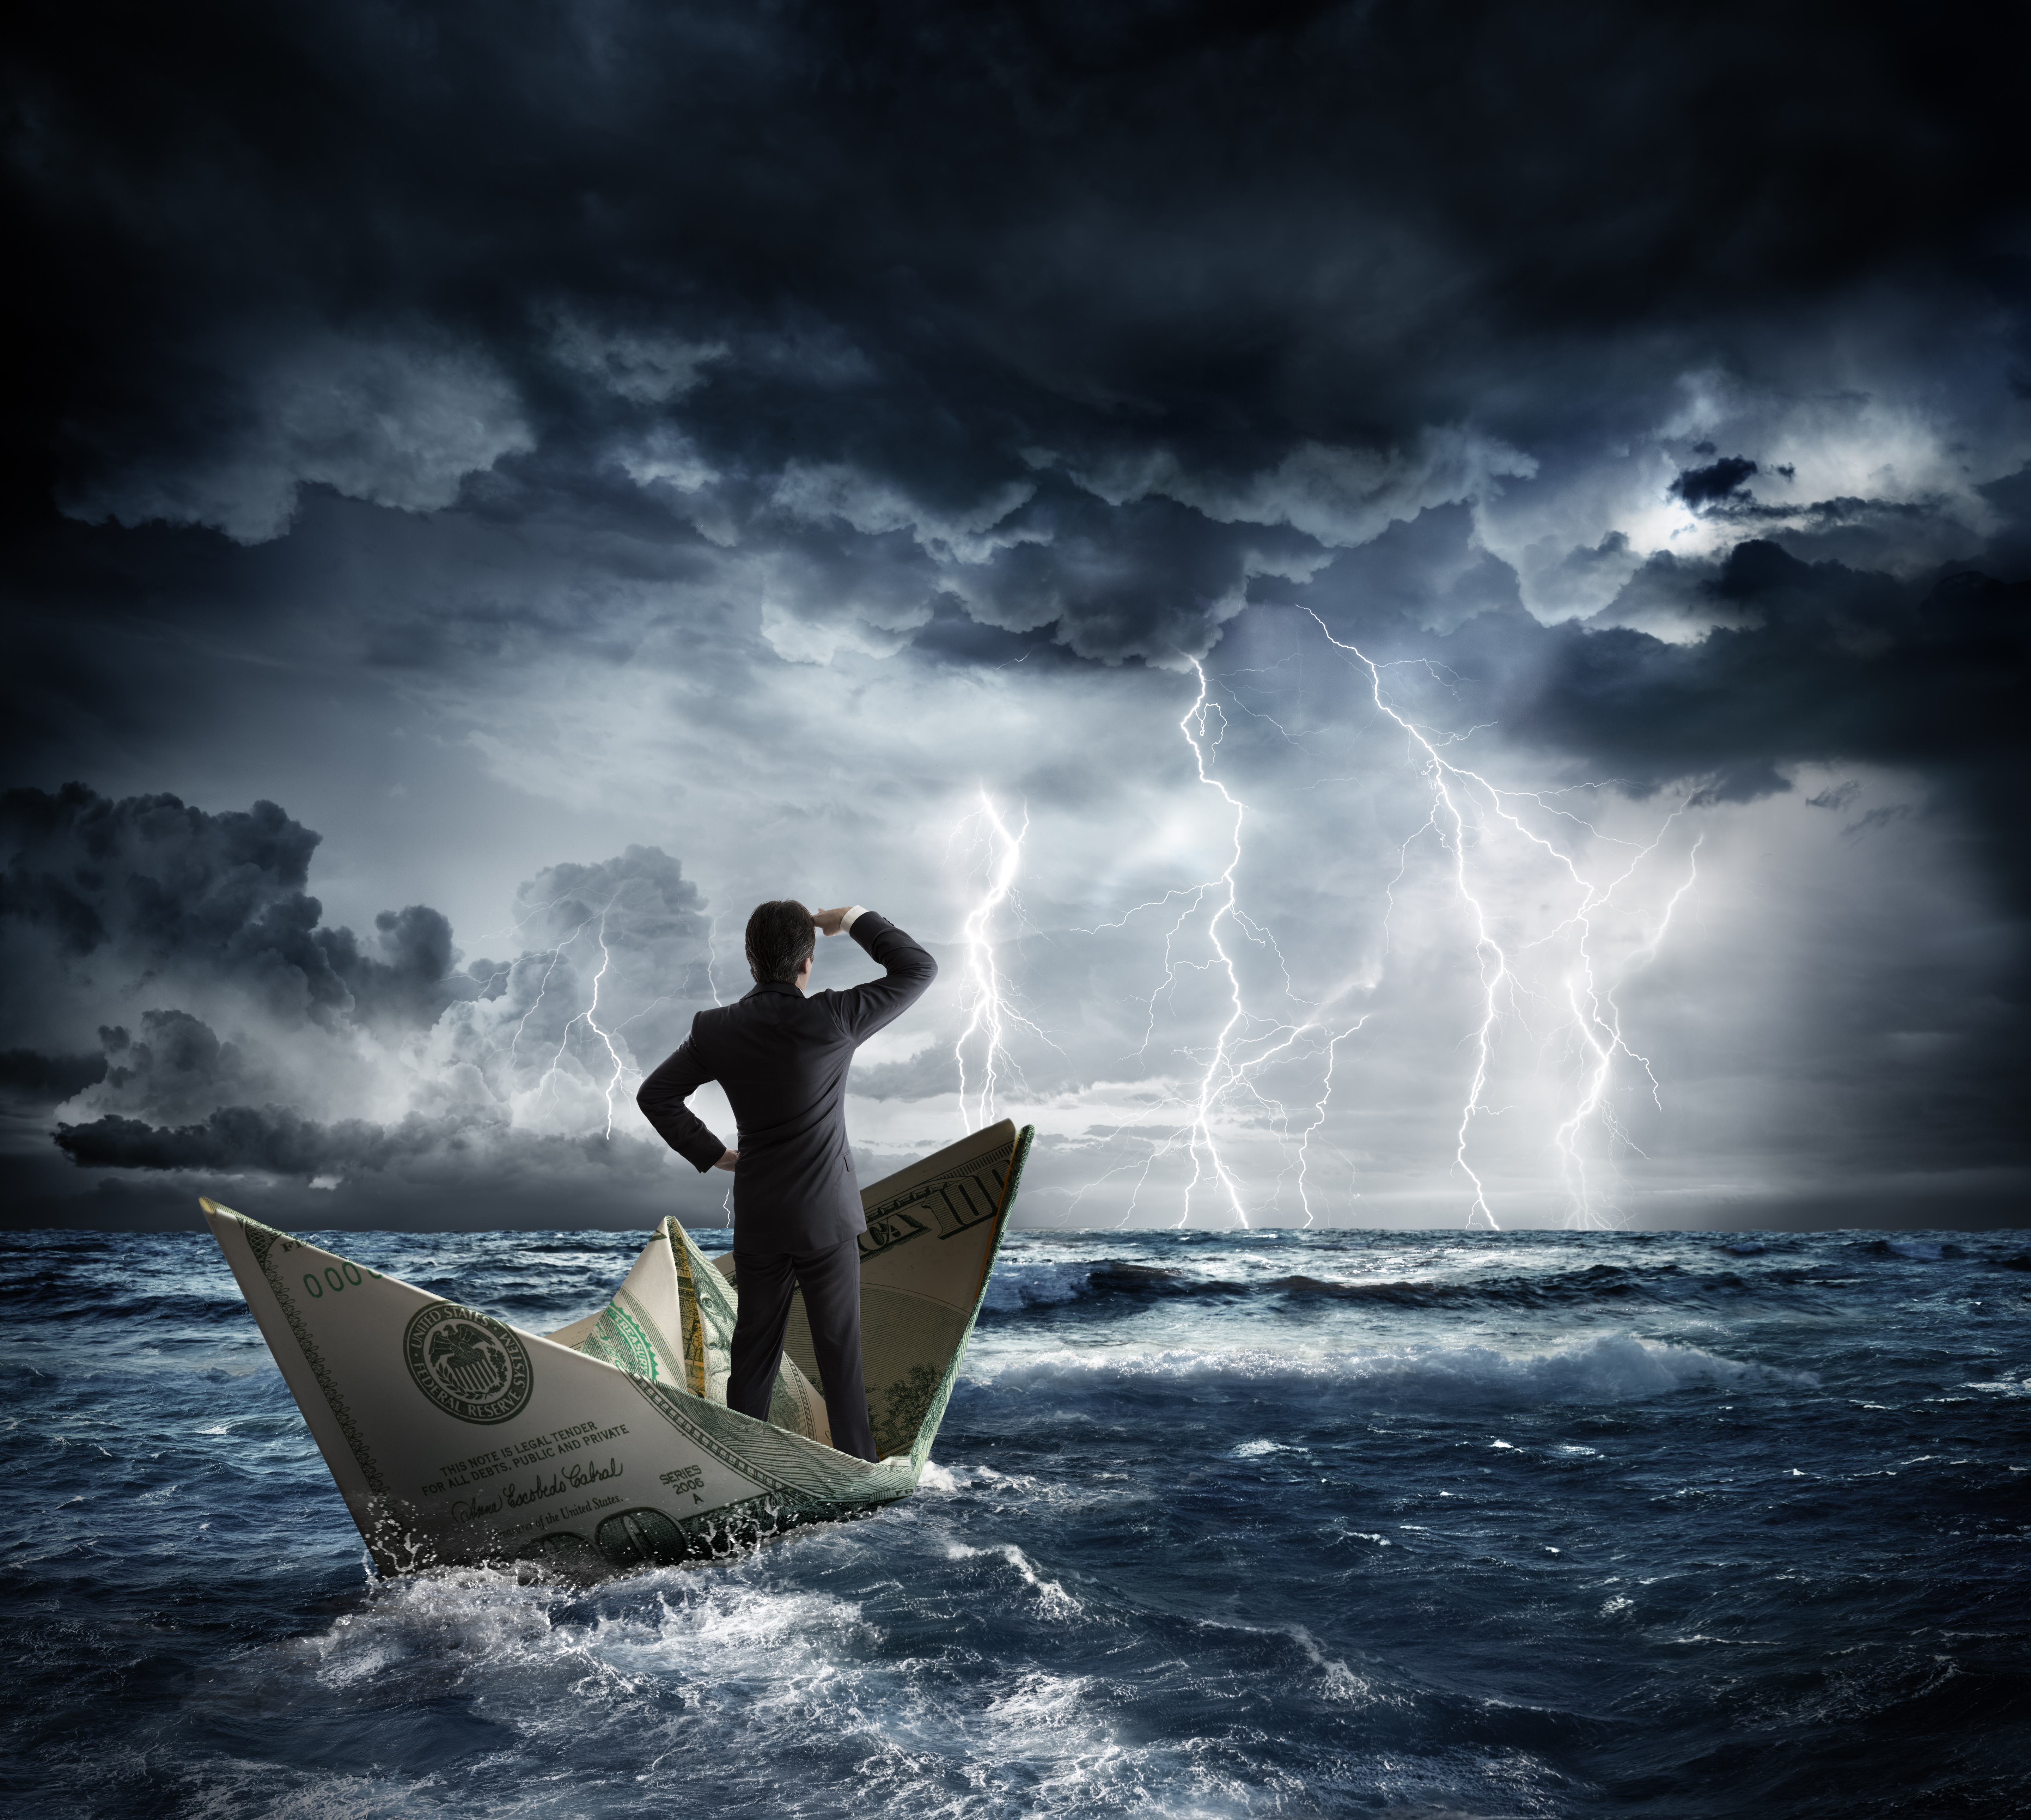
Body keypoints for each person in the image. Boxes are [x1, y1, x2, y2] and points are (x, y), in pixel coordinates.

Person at [635, 901, 937, 1460]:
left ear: (751, 961)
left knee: (754, 1357)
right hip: (828, 1216)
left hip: (762, 1216)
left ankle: (740, 1469)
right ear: (808, 962)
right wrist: (850, 918)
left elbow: (655, 1095)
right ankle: (858, 1474)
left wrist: (718, 1155)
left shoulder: (716, 1028)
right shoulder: (835, 1017)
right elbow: (918, 968)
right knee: (840, 1359)